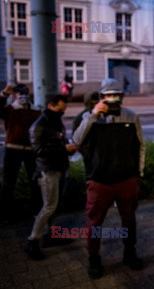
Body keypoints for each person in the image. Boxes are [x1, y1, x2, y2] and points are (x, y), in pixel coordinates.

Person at [73, 78, 145, 279]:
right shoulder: (89, 117)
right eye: (108, 95)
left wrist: (138, 174)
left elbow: (140, 146)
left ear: (121, 97)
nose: (112, 99)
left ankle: (129, 253)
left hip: (126, 180)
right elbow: (77, 140)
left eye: (116, 95)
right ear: (101, 97)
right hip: (99, 181)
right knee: (95, 222)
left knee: (129, 220)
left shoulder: (131, 117)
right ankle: (94, 258)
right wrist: (93, 115)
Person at [25, 95, 77, 260]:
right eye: (60, 109)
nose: (63, 112)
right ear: (51, 105)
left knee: (53, 206)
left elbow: (61, 141)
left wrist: (69, 147)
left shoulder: (55, 122)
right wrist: (64, 150)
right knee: (48, 207)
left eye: (64, 109)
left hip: (59, 168)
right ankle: (33, 241)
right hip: (48, 171)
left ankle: (50, 235)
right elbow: (38, 151)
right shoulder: (38, 126)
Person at [0, 84, 41, 225]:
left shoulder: (35, 110)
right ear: (14, 95)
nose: (23, 97)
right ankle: (6, 214)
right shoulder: (11, 109)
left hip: (30, 150)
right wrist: (4, 94)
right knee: (9, 183)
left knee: (35, 181)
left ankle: (36, 212)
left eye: (25, 94)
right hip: (13, 148)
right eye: (19, 94)